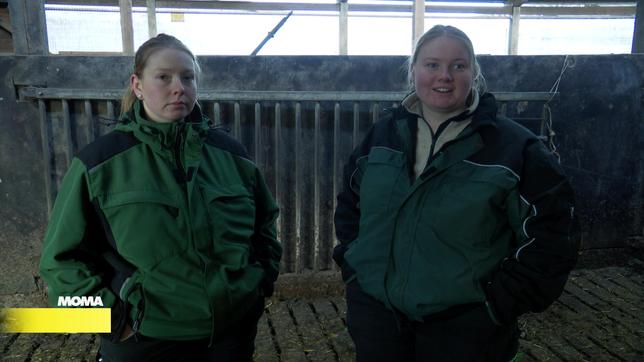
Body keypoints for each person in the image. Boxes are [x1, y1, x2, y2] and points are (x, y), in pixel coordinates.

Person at [333, 25, 579, 362]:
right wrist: (356, 270)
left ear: (474, 73)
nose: (444, 76)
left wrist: (497, 305)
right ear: (414, 70)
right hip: (378, 318)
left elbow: (553, 236)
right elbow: (350, 205)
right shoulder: (383, 135)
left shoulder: (515, 149)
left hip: (465, 329)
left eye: (458, 66)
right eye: (432, 64)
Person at [39, 33, 282, 362]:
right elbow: (59, 261)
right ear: (137, 85)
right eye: (163, 77)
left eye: (187, 77)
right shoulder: (100, 163)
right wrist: (112, 321)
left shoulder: (232, 156)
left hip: (229, 335)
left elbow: (264, 226)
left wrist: (257, 287)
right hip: (144, 338)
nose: (179, 87)